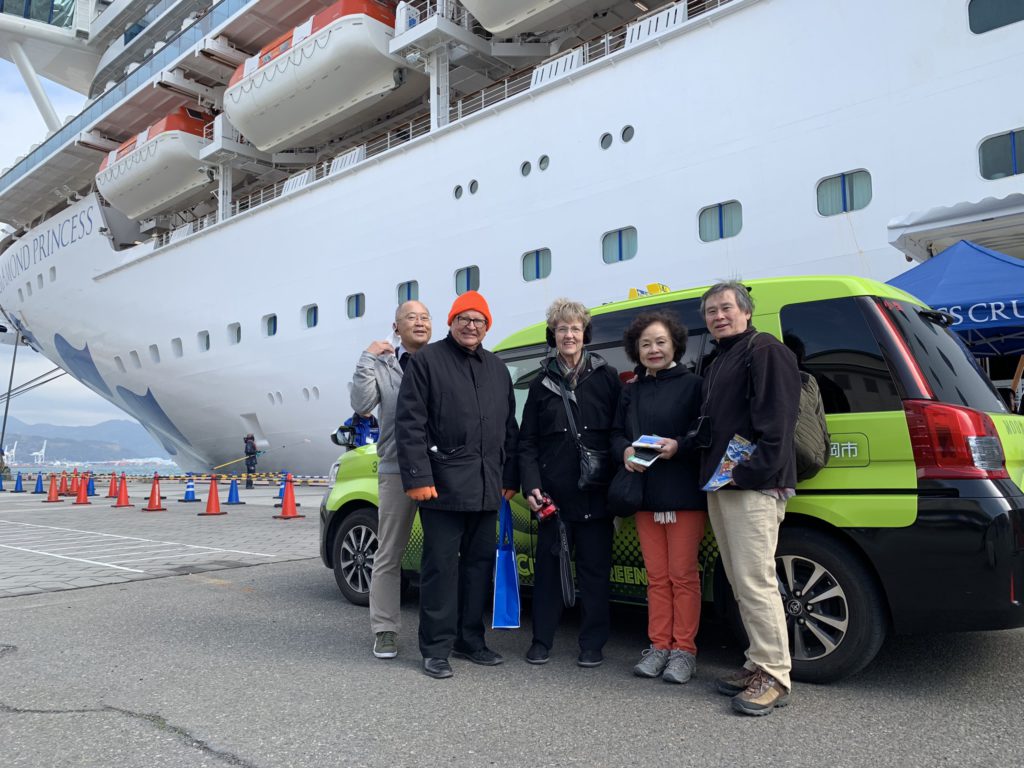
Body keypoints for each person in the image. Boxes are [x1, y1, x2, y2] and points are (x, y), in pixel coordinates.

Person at [395, 290, 519, 679]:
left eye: (479, 320)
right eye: (463, 318)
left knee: (478, 569)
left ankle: (470, 639)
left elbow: (508, 429)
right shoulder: (427, 361)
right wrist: (418, 478)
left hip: (486, 489)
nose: (471, 325)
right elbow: (410, 423)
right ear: (451, 322)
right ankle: (435, 647)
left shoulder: (497, 368)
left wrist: (509, 476)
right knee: (440, 570)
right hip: (442, 487)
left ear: (487, 327)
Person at [699, 280, 800, 716]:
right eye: (710, 312)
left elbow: (777, 426)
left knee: (756, 580)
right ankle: (757, 661)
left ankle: (775, 674)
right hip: (724, 484)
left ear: (746, 310)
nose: (718, 316)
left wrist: (745, 474)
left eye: (725, 308)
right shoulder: (723, 357)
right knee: (742, 581)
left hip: (751, 485)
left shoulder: (766, 350)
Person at [519, 299, 621, 668]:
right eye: (562, 329)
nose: (569, 335)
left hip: (596, 494)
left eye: (575, 328)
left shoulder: (606, 377)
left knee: (595, 574)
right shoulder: (540, 383)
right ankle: (541, 640)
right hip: (553, 497)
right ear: (554, 334)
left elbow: (618, 432)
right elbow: (527, 442)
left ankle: (592, 644)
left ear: (585, 334)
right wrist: (531, 485)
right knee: (548, 573)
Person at [610, 311, 706, 685]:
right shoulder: (630, 390)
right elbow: (616, 433)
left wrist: (678, 446)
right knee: (656, 577)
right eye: (645, 343)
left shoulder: (695, 385)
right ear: (636, 349)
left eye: (660, 342)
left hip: (683, 494)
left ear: (674, 345)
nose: (653, 349)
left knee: (682, 576)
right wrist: (624, 453)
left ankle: (684, 651)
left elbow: (703, 435)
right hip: (644, 495)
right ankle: (658, 646)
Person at [350, 301, 432, 659]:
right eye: (411, 317)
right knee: (389, 554)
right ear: (396, 328)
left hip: (438, 471)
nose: (419, 322)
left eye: (425, 317)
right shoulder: (383, 365)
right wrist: (367, 358)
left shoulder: (442, 361)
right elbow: (362, 404)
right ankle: (384, 629)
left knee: (443, 552)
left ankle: (442, 628)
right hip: (397, 469)